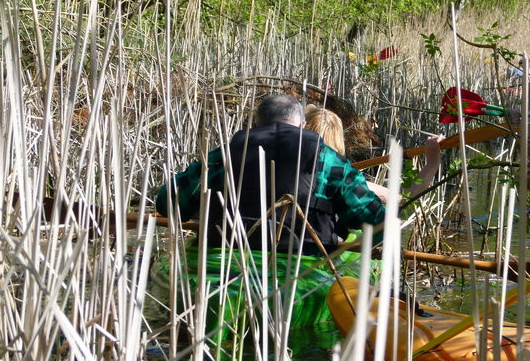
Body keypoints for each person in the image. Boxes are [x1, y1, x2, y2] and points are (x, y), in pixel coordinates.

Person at [156, 95, 386, 255]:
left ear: (255, 124)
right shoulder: (329, 160)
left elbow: (168, 203)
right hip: (301, 262)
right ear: (303, 125)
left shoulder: (225, 155)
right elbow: (378, 222)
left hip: (229, 256)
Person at [304, 104, 444, 203]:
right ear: (339, 140)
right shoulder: (347, 180)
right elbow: (404, 201)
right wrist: (432, 164)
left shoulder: (284, 166)